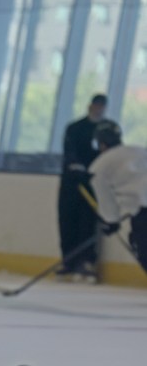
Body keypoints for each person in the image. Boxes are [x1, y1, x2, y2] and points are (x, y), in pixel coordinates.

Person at [57, 93, 108, 282]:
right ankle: (68, 261)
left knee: (88, 223)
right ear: (90, 106)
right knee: (68, 221)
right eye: (96, 105)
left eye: (102, 106)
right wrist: (75, 166)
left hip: (93, 184)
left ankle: (86, 261)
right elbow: (69, 152)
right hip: (72, 183)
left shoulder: (107, 130)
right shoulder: (75, 128)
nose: (98, 108)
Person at [90, 119, 147, 274]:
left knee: (143, 249)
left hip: (143, 214)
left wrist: (111, 221)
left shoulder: (99, 165)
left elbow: (105, 200)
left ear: (100, 144)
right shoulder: (140, 151)